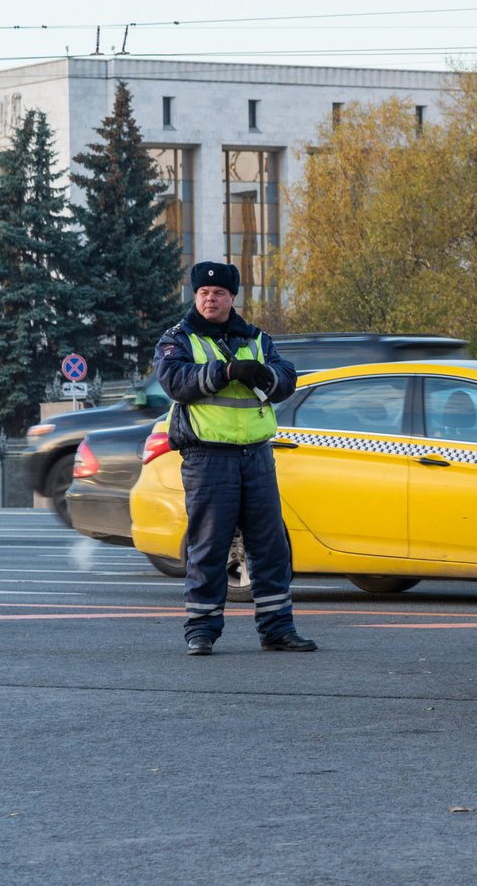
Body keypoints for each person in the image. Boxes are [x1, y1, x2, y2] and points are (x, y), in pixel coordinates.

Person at [154, 261, 313, 656]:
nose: (211, 298)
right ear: (195, 297)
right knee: (209, 547)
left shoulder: (256, 338)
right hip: (208, 458)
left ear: (232, 298)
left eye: (220, 293)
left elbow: (287, 378)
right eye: (204, 293)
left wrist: (265, 377)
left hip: (257, 457)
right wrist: (225, 371)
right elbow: (175, 381)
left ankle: (277, 629)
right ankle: (202, 631)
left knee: (271, 547)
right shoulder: (178, 338)